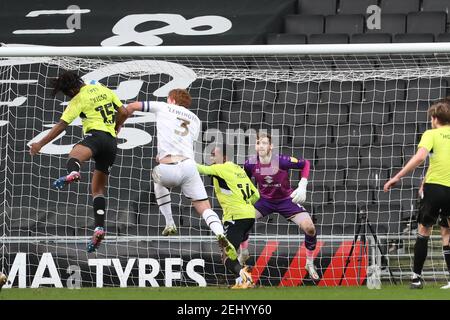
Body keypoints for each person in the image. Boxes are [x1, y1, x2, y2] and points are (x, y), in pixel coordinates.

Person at [124, 89, 237, 260]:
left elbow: (132, 106)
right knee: (204, 207)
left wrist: (118, 120)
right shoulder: (196, 120)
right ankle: (220, 233)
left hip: (167, 167)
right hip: (189, 166)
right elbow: (184, 141)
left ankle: (169, 222)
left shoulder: (162, 107)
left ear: (171, 100)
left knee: (156, 176)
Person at [29, 71, 128, 253]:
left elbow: (61, 125)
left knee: (75, 155)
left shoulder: (78, 98)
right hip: (111, 143)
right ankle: (99, 227)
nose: (69, 96)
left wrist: (40, 144)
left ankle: (74, 172)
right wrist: (117, 126)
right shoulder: (104, 90)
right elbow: (124, 111)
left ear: (73, 89)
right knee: (98, 190)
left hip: (95, 137)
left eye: (68, 93)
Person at [384, 98, 450, 289]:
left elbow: (421, 157)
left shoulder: (431, 133)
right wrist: (424, 181)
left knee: (423, 231)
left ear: (435, 118)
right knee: (447, 233)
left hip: (435, 189)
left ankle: (416, 278)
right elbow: (439, 162)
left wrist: (397, 177)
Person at [244, 132, 319, 280]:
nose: (261, 146)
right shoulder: (250, 163)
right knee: (242, 220)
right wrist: (249, 196)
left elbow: (306, 163)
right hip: (264, 201)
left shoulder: (282, 161)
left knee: (310, 228)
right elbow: (246, 180)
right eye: (258, 142)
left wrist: (302, 185)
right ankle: (244, 252)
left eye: (264, 143)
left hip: (286, 200)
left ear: (271, 146)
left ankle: (309, 263)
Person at [197, 145, 259, 289]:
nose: (211, 158)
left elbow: (200, 169)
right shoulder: (239, 170)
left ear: (224, 157)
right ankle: (239, 282)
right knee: (231, 252)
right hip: (249, 215)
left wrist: (178, 160)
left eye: (214, 155)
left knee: (227, 256)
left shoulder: (221, 168)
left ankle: (245, 277)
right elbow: (256, 195)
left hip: (235, 217)